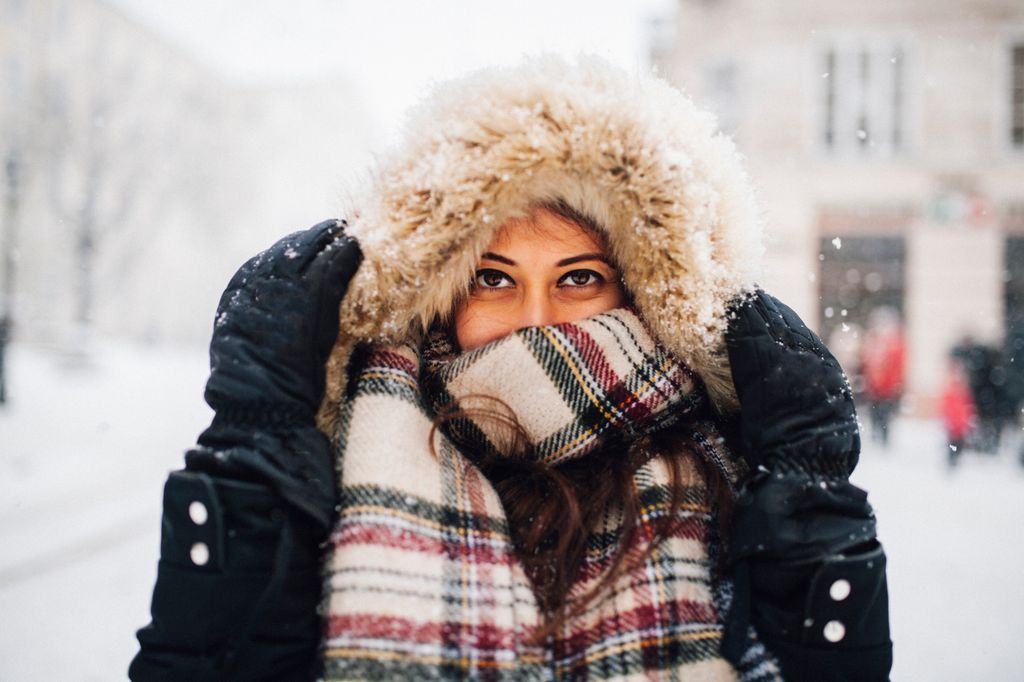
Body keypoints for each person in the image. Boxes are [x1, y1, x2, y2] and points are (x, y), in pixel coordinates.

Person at [130, 57, 891, 681]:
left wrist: (808, 501)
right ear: (438, 294)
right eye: (493, 278)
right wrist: (256, 452)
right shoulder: (337, 464)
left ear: (646, 291)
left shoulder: (722, 477)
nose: (534, 319)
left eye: (579, 278)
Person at [859, 308, 905, 448]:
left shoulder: (895, 344)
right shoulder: (873, 342)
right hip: (874, 387)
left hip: (887, 388)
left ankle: (884, 439)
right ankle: (877, 437)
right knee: (875, 414)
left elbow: (896, 367)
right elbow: (866, 363)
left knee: (884, 415)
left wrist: (893, 384)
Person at [939, 357, 976, 467]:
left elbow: (968, 408)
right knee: (952, 444)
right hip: (953, 425)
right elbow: (946, 408)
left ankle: (955, 461)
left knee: (959, 445)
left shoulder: (964, 392)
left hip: (961, 425)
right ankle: (951, 462)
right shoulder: (951, 391)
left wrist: (967, 422)